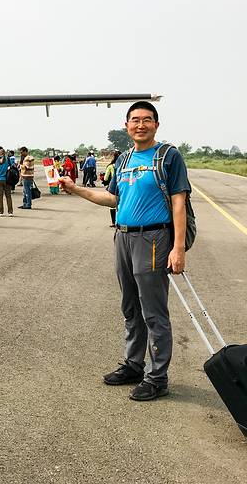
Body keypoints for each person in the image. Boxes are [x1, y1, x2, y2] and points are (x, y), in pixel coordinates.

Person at [59, 101, 191, 402]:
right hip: (123, 237)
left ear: (156, 124)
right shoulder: (124, 159)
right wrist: (76, 189)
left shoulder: (168, 156)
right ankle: (134, 364)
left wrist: (178, 248)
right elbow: (112, 198)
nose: (140, 125)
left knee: (153, 311)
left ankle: (157, 378)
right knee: (130, 306)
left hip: (154, 238)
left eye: (147, 119)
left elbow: (179, 202)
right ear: (126, 125)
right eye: (135, 120)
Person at [104, 150, 121, 227]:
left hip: (113, 187)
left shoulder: (110, 166)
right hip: (123, 186)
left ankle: (113, 222)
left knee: (112, 205)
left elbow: (106, 178)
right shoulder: (125, 165)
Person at [0, 146, 14, 217]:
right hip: (7, 180)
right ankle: (10, 212)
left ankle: (1, 212)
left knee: (0, 197)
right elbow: (13, 166)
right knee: (8, 196)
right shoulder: (8, 159)